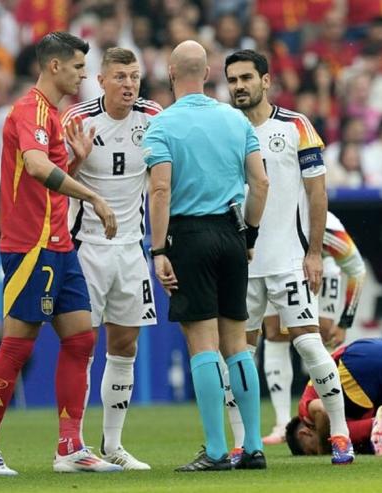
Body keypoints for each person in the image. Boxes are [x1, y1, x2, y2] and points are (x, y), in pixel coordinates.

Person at [0, 31, 121, 476]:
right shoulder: (29, 109)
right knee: (18, 344)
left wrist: (75, 160)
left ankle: (70, 447)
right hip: (30, 246)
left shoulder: (51, 114)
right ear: (55, 66)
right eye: (78, 67)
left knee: (81, 338)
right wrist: (93, 196)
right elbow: (35, 167)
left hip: (59, 243)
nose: (83, 75)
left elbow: (44, 174)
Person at [142, 40, 269, 472]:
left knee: (202, 345)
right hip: (232, 233)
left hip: (188, 235)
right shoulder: (235, 119)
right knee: (238, 344)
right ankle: (253, 446)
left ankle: (216, 450)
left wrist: (159, 249)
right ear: (209, 73)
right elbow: (261, 183)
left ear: (170, 73)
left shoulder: (162, 125)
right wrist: (249, 234)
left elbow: (160, 189)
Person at [225, 49, 354, 465]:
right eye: (233, 80)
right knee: (238, 355)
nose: (239, 86)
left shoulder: (296, 126)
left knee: (310, 345)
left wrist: (314, 253)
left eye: (247, 78)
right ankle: (244, 443)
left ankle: (340, 434)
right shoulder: (225, 129)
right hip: (242, 265)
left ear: (265, 81)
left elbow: (317, 193)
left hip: (287, 260)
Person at [61, 47, 162, 470]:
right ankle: (73, 444)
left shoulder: (153, 117)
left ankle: (113, 445)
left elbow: (163, 180)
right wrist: (77, 159)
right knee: (82, 346)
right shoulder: (78, 118)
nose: (129, 84)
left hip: (132, 249)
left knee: (124, 346)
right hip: (86, 248)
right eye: (120, 76)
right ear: (101, 81)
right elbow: (52, 180)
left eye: (134, 76)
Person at [252, 211, 366, 446]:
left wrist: (345, 322)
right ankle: (282, 423)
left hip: (321, 266)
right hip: (279, 265)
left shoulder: (329, 232)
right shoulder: (269, 222)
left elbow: (357, 269)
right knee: (274, 332)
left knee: (321, 333)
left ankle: (335, 418)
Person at [285, 338, 382, 457]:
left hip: (361, 362)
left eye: (312, 451)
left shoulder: (305, 411)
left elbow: (322, 410)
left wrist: (323, 450)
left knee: (339, 430)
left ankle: (377, 423)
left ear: (304, 434)